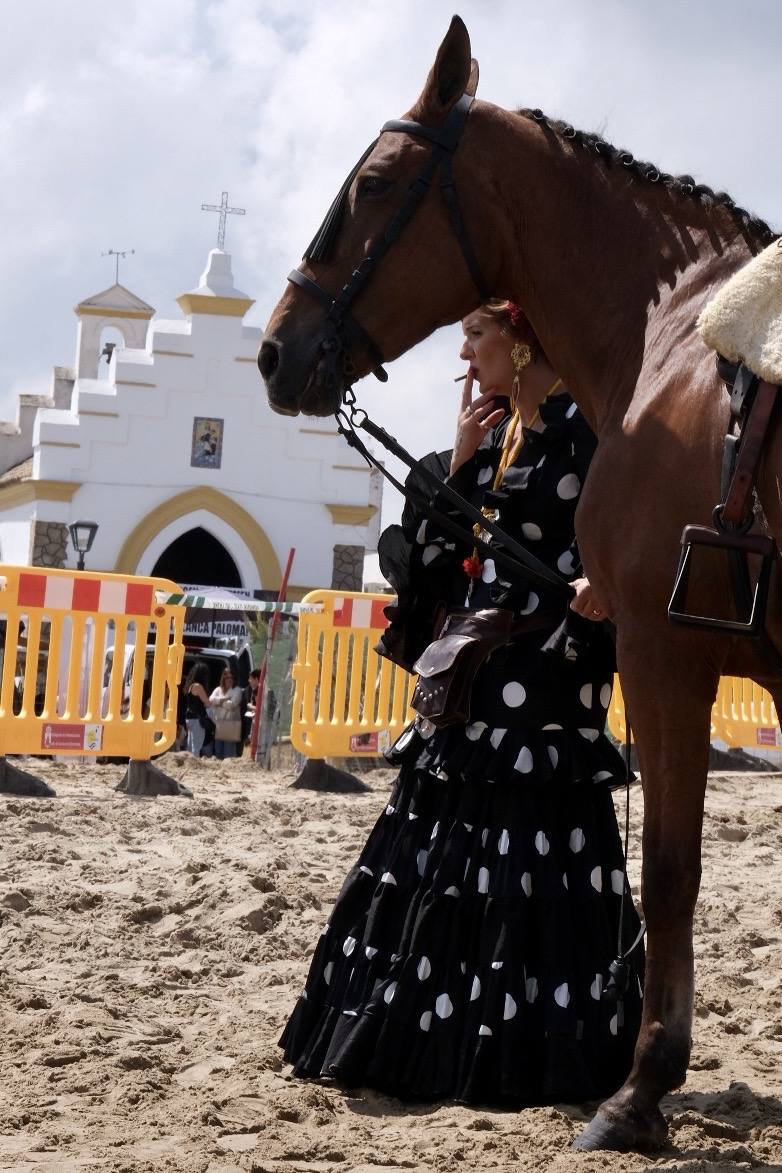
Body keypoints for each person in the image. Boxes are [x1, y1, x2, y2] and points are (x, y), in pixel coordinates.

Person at [278, 301, 644, 1107]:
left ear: (522, 342)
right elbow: (432, 568)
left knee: (537, 850)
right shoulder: (484, 443)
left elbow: (627, 531)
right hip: (473, 681)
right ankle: (420, 1032)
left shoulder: (591, 435)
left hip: (552, 675)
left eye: (477, 334)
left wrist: (601, 576)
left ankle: (532, 1044)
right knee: (441, 850)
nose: (464, 350)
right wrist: (459, 461)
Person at [209, 668, 243, 759]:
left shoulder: (237, 690)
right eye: (227, 677)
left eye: (231, 677)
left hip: (230, 725)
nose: (230, 680)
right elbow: (210, 700)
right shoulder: (218, 689)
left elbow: (231, 705)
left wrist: (218, 703)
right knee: (218, 753)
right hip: (218, 725)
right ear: (223, 678)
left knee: (228, 755)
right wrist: (224, 700)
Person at [183, 660, 212, 757]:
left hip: (189, 718)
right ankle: (194, 766)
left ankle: (188, 764)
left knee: (190, 745)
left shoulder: (190, 686)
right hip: (197, 719)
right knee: (196, 746)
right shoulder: (198, 686)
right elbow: (206, 702)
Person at [242, 668, 261, 745]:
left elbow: (263, 709)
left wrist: (252, 707)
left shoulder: (262, 691)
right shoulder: (253, 690)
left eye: (250, 678)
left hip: (261, 727)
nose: (249, 681)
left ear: (256, 679)